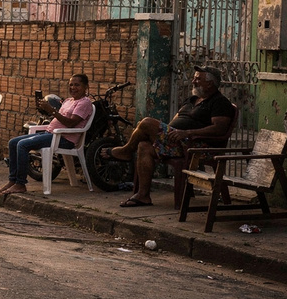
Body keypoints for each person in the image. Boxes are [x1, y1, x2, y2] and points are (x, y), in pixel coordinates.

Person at [100, 66, 235, 208]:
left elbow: (219, 129)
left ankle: (126, 151)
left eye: (198, 79)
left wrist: (188, 133)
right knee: (144, 146)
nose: (193, 81)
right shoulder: (192, 99)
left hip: (196, 146)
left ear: (210, 83)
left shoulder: (219, 102)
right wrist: (166, 133)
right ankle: (143, 195)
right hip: (177, 142)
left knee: (146, 123)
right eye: (194, 78)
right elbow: (175, 121)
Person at [0, 74, 94, 195]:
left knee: (22, 145)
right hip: (50, 133)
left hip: (64, 139)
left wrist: (52, 110)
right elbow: (59, 118)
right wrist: (46, 109)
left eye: (77, 85)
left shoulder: (84, 103)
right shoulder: (69, 101)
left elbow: (70, 123)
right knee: (13, 142)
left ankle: (20, 184)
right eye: (71, 85)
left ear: (86, 87)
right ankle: (13, 180)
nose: (73, 88)